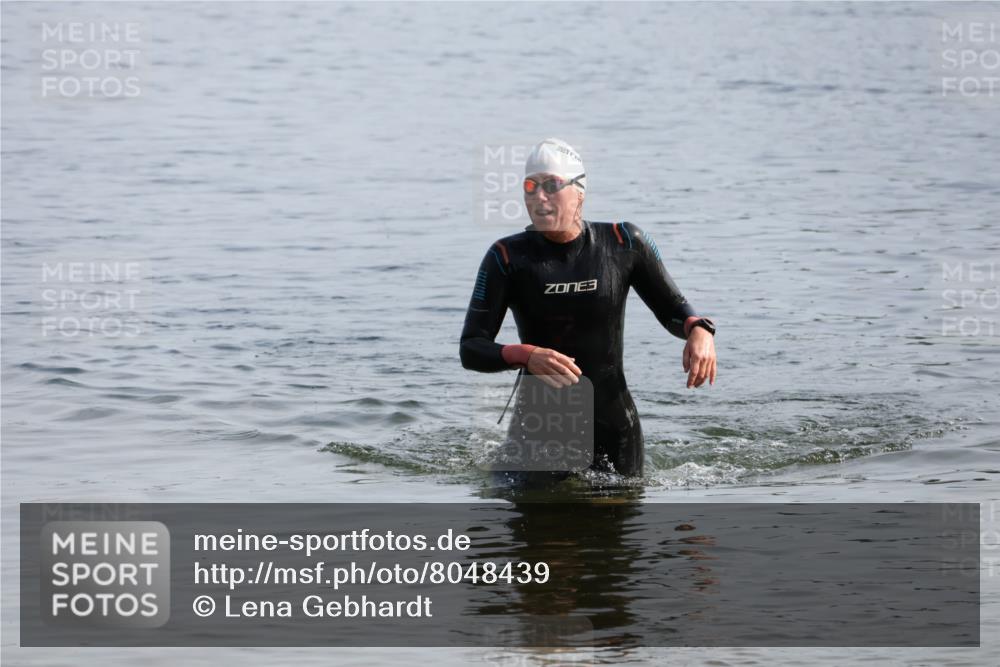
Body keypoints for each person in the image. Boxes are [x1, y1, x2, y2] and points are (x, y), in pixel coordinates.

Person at [460, 138, 717, 479]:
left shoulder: (624, 243)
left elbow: (674, 309)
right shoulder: (506, 257)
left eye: (551, 186)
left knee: (620, 524)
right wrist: (525, 354)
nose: (539, 197)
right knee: (531, 528)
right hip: (539, 425)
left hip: (613, 423)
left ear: (579, 190)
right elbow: (471, 348)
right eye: (530, 186)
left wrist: (699, 329)